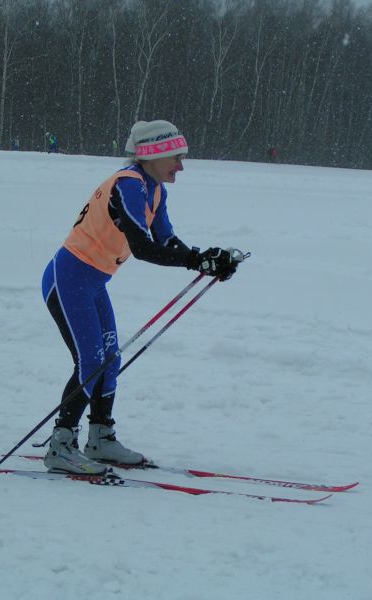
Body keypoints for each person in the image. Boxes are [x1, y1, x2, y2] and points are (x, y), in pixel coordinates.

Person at [40, 119, 242, 474]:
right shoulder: (128, 185)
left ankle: (100, 438)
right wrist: (195, 260)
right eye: (176, 157)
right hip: (68, 278)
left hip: (92, 282)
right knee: (90, 361)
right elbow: (143, 247)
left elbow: (166, 242)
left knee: (110, 359)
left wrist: (207, 261)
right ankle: (61, 445)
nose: (181, 166)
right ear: (155, 154)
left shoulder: (156, 191)